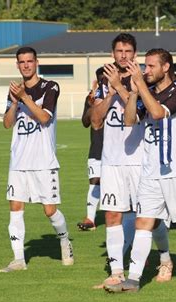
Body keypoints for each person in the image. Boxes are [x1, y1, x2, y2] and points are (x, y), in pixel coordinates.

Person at [105, 48, 176, 293]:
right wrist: (131, 93)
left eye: (151, 66)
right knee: (143, 222)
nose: (146, 70)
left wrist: (139, 86)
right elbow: (130, 120)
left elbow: (156, 112)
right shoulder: (146, 90)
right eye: (145, 66)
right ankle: (133, 279)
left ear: (166, 67)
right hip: (150, 171)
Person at [90, 34, 172, 289]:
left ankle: (165, 258)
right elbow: (95, 120)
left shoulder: (143, 77)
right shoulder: (105, 79)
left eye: (128, 51)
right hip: (112, 160)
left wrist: (122, 88)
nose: (123, 55)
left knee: (148, 217)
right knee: (113, 215)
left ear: (135, 54)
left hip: (139, 160)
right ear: (112, 53)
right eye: (119, 51)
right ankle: (117, 272)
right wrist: (111, 90)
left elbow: (135, 115)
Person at [0, 46, 73, 272]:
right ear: (18, 65)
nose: (26, 65)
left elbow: (42, 117)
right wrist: (14, 102)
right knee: (15, 206)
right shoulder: (15, 91)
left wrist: (24, 97)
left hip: (43, 161)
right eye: (22, 62)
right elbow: (7, 123)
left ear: (36, 62)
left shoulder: (50, 87)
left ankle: (64, 240)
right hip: (18, 161)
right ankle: (19, 259)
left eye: (29, 61)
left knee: (49, 210)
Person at [77, 67, 105, 231]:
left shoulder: (120, 95)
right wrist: (91, 105)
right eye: (100, 79)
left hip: (118, 151)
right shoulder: (92, 97)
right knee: (95, 181)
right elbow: (85, 122)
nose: (103, 82)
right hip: (97, 147)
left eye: (105, 78)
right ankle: (90, 219)